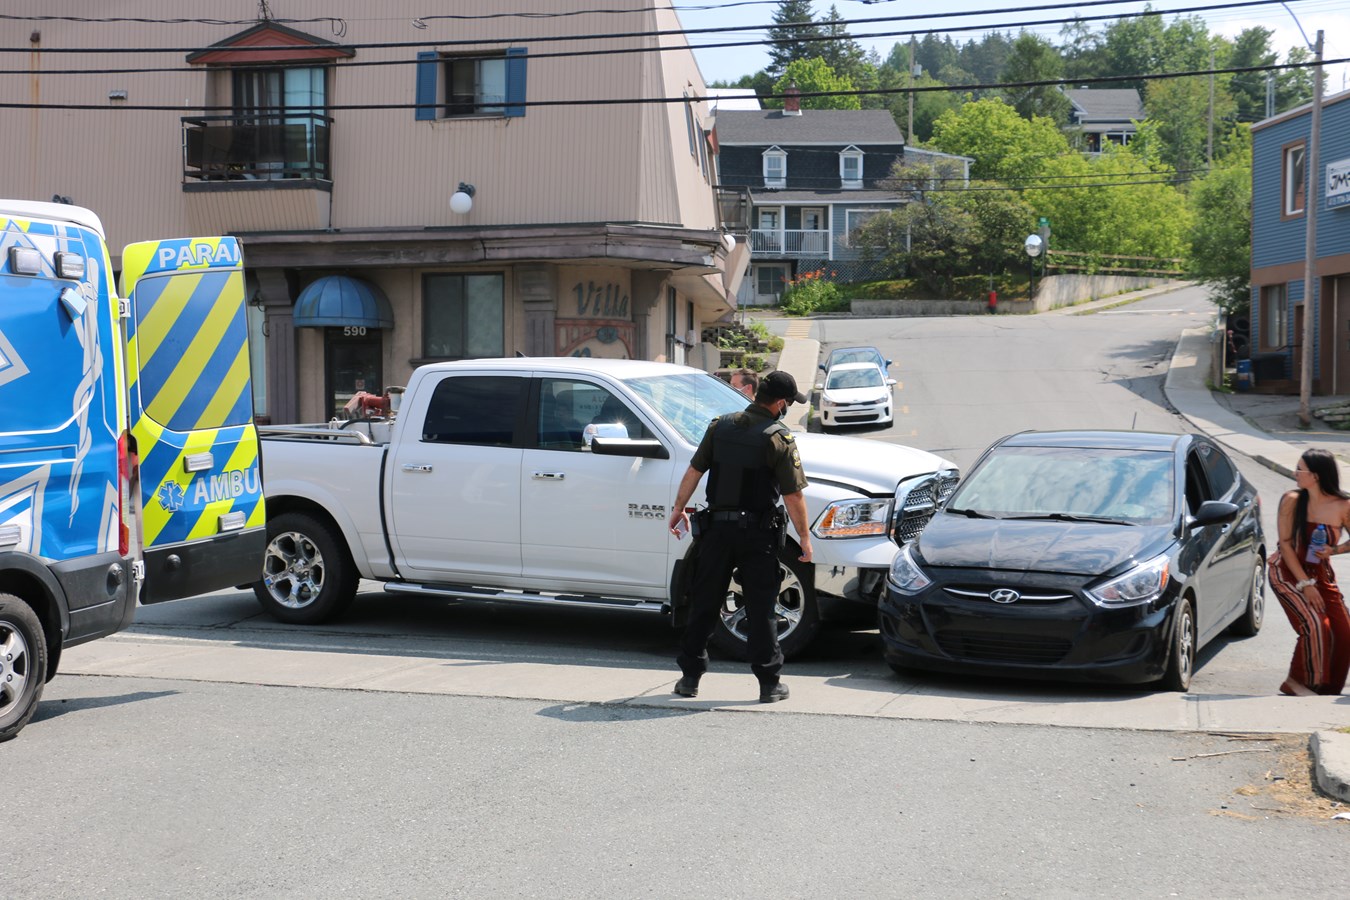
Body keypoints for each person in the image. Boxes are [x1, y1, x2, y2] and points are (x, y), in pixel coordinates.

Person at [666, 370, 813, 703]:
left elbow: (694, 470)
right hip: (757, 536)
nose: (787, 408)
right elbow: (793, 496)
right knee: (761, 608)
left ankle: (689, 678)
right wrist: (805, 539)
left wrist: (678, 508)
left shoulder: (721, 426)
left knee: (704, 602)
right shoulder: (778, 437)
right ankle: (769, 684)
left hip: (716, 531)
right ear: (779, 403)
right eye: (789, 402)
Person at [1268, 448, 1350, 696]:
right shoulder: (1291, 499)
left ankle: (1327, 690)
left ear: (1315, 475)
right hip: (1287, 571)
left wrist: (1333, 550)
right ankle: (1298, 682)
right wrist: (1306, 584)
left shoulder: (1343, 505)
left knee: (1343, 632)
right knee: (1315, 623)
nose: (1295, 473)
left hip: (1322, 575)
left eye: (1300, 469)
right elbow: (1285, 544)